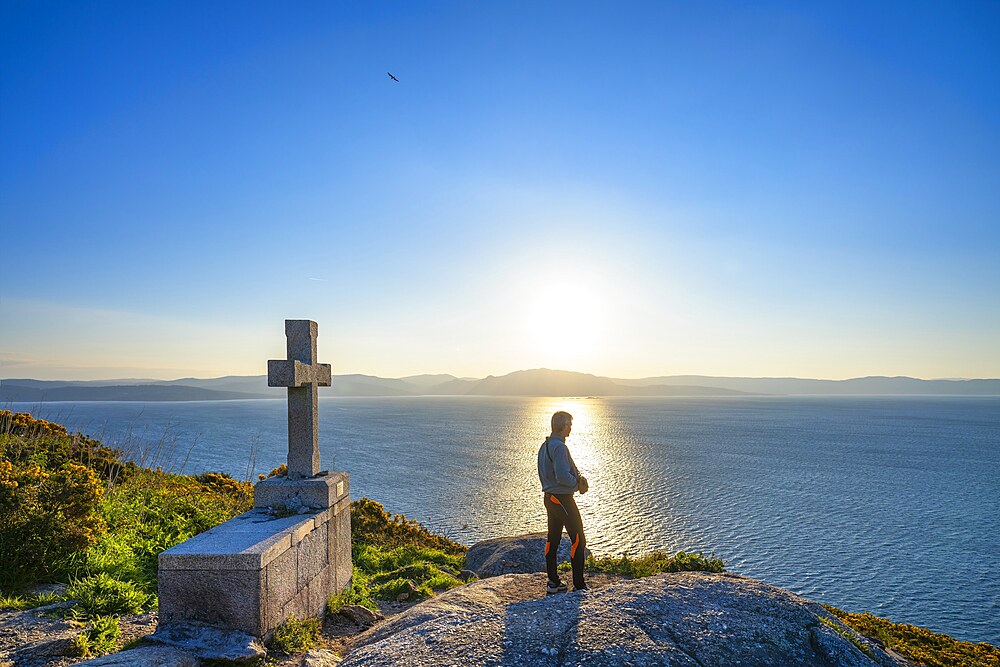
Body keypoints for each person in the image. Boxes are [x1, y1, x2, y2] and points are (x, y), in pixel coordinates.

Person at [537, 410, 589, 593]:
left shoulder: (546, 445)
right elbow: (562, 476)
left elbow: (546, 474)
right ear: (563, 426)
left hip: (550, 498)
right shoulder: (559, 447)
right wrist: (577, 484)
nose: (571, 428)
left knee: (553, 540)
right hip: (561, 499)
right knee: (578, 540)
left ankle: (553, 582)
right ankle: (579, 585)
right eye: (570, 425)